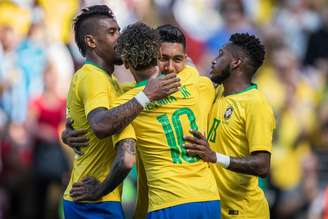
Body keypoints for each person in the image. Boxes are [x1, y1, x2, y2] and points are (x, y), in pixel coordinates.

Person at [70, 22, 221, 219]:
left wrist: (98, 191)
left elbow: (123, 155)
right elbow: (193, 70)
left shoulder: (126, 106)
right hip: (208, 198)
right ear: (157, 55)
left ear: (126, 62)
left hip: (169, 201)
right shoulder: (190, 78)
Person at [63, 5, 180, 219]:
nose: (120, 37)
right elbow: (100, 125)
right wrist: (146, 96)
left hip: (92, 200)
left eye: (118, 30)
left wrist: (67, 132)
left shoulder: (108, 81)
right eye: (112, 32)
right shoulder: (93, 77)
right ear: (91, 41)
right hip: (93, 201)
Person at [183, 33, 275, 218]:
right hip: (216, 209)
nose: (213, 61)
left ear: (235, 63)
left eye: (220, 55)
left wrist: (215, 157)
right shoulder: (217, 93)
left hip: (245, 212)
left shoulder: (255, 104)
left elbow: (262, 165)